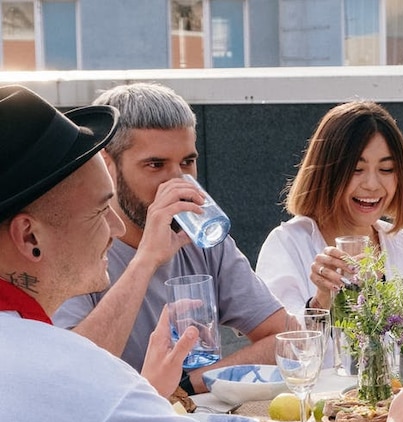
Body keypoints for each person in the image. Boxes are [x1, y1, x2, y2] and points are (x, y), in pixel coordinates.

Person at [0, 84, 403, 422]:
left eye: (188, 162)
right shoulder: (65, 373)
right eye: (98, 210)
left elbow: (284, 336)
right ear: (29, 236)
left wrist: (160, 388)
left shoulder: (35, 353)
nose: (113, 228)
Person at [53, 82, 294, 394]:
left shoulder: (201, 237)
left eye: (187, 162)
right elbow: (74, 373)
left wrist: (188, 385)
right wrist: (146, 260)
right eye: (155, 165)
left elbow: (287, 338)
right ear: (106, 165)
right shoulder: (70, 247)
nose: (177, 180)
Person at [256, 99, 403, 338]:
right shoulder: (288, 244)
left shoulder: (402, 244)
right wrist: (320, 302)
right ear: (327, 172)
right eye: (357, 169)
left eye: (386, 170)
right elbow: (282, 350)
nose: (372, 185)